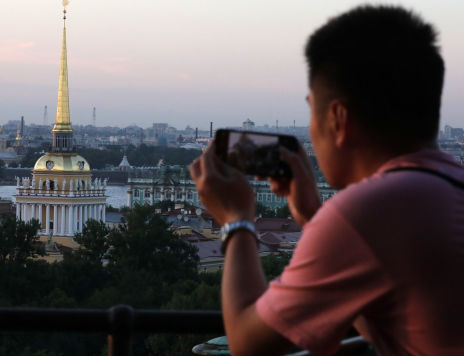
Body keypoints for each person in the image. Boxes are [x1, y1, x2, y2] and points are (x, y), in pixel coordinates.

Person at [190, 5, 464, 356]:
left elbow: (248, 344)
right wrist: (313, 217)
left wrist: (236, 219)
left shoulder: (369, 211)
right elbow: (385, 314)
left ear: (337, 117)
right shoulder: (444, 187)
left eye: (311, 109)